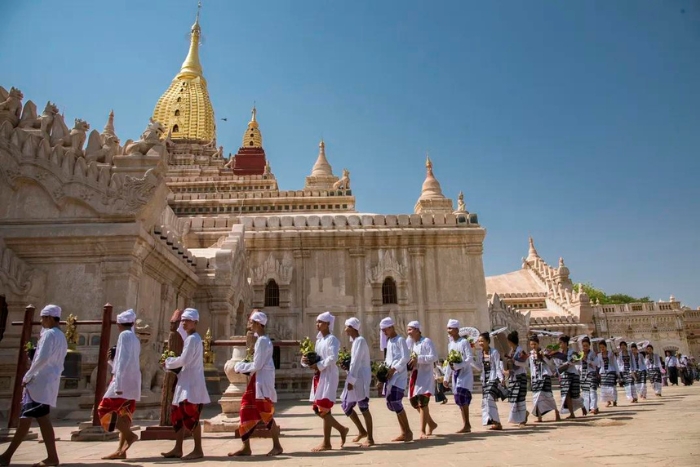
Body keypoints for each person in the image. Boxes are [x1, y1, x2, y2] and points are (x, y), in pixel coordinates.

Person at [0, 305, 67, 467]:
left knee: (32, 419)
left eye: (43, 318)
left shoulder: (50, 334)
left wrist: (28, 375)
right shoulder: (60, 336)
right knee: (35, 419)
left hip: (39, 381)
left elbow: (42, 358)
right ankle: (49, 457)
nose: (41, 322)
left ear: (50, 318)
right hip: (47, 382)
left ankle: (8, 455)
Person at [229, 310, 283, 457]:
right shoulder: (262, 340)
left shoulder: (262, 341)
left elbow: (257, 364)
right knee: (246, 409)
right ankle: (246, 446)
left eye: (252, 322)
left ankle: (277, 446)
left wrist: (240, 367)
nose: (250, 325)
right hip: (258, 380)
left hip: (261, 380)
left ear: (259, 324)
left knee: (265, 413)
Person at [161, 308, 211, 460]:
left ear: (195, 322)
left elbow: (184, 360)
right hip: (185, 382)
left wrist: (168, 362)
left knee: (191, 416)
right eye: (182, 320)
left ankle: (198, 449)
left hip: (191, 385)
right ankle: (178, 448)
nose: (183, 323)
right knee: (178, 416)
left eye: (187, 320)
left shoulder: (193, 339)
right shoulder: (191, 338)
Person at [98, 309, 141, 460]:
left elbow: (122, 361)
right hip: (132, 381)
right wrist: (111, 361)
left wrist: (118, 386)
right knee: (124, 415)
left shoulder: (124, 335)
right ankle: (121, 450)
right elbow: (125, 360)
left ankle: (130, 436)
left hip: (122, 382)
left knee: (104, 409)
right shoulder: (134, 338)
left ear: (119, 324)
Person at [303, 311, 349, 452]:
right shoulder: (318, 341)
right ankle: (330, 440)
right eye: (317, 322)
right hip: (319, 375)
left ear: (328, 324)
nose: (317, 324)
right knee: (321, 409)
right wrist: (308, 362)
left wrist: (319, 365)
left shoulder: (332, 340)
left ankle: (338, 433)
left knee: (322, 408)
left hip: (328, 375)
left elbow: (332, 358)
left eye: (320, 322)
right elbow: (316, 357)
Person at [340, 317, 374, 447]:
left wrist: (351, 380)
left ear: (352, 327)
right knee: (346, 405)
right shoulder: (355, 342)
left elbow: (356, 361)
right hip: (355, 376)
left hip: (360, 378)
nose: (345, 330)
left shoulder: (360, 341)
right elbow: (352, 362)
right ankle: (361, 430)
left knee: (363, 407)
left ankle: (370, 438)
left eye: (347, 327)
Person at [379, 317, 413, 442]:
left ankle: (408, 431)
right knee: (392, 403)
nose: (384, 333)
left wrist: (394, 368)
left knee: (396, 402)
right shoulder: (389, 341)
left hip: (399, 376)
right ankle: (404, 431)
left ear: (391, 327)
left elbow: (405, 357)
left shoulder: (400, 340)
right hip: (390, 376)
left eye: (385, 330)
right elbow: (388, 359)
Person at [443, 319, 479, 433]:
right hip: (456, 374)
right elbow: (450, 361)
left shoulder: (463, 342)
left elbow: (469, 358)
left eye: (451, 328)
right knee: (458, 398)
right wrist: (446, 377)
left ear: (457, 329)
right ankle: (465, 424)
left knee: (462, 396)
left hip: (465, 374)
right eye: (448, 328)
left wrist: (460, 365)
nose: (449, 331)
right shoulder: (450, 344)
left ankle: (467, 424)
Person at [406, 321, 438, 438]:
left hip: (424, 376)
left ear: (417, 330)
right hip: (415, 375)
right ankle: (431, 423)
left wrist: (418, 359)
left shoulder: (427, 342)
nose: (408, 332)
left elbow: (434, 356)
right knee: (414, 402)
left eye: (410, 329)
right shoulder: (411, 343)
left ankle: (422, 431)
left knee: (423, 402)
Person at [549, 335, 586, 418]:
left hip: (573, 375)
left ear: (565, 343)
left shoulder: (572, 352)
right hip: (565, 376)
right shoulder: (558, 354)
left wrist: (563, 366)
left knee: (575, 395)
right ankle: (572, 413)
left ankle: (582, 406)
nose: (560, 344)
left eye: (561, 343)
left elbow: (574, 362)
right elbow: (557, 364)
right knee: (566, 394)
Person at [528, 335, 560, 422]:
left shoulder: (544, 352)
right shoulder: (531, 355)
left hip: (544, 376)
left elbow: (550, 363)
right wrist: (531, 378)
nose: (533, 346)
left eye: (535, 344)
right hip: (535, 377)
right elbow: (531, 367)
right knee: (536, 397)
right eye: (532, 344)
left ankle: (556, 411)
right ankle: (539, 416)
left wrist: (543, 357)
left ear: (538, 344)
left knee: (548, 395)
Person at [477, 331, 503, 430]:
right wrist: (470, 360)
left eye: (482, 341)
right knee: (487, 400)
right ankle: (494, 421)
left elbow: (497, 366)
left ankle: (497, 422)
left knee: (489, 399)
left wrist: (500, 378)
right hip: (485, 378)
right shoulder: (480, 353)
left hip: (493, 378)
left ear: (488, 341)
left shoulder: (494, 352)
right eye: (479, 341)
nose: (480, 343)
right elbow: (479, 367)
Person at [504, 330, 529, 426]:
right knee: (513, 398)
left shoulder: (520, 351)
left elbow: (524, 363)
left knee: (520, 398)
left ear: (510, 342)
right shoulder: (512, 351)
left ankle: (522, 419)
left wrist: (514, 361)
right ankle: (522, 415)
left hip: (520, 376)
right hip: (513, 377)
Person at [579, 337, 599, 415]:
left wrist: (587, 360)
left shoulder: (592, 353)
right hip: (583, 375)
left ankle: (593, 407)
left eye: (586, 345)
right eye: (584, 346)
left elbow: (596, 363)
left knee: (592, 390)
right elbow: (578, 365)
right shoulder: (580, 354)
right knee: (585, 392)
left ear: (589, 345)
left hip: (591, 373)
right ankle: (588, 408)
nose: (585, 347)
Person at [597, 341, 620, 407]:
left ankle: (614, 400)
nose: (602, 348)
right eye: (600, 347)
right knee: (604, 387)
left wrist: (617, 372)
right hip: (603, 372)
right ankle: (608, 401)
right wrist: (598, 372)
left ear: (606, 347)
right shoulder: (599, 355)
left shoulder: (611, 354)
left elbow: (615, 363)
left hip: (611, 371)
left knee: (612, 387)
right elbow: (599, 365)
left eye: (603, 347)